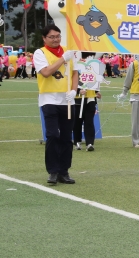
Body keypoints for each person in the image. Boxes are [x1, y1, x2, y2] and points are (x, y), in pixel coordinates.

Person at [34, 24, 78, 185]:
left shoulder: (68, 51)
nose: (55, 39)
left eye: (58, 36)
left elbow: (74, 73)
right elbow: (46, 72)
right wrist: (62, 59)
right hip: (49, 99)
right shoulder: (40, 53)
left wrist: (74, 91)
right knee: (53, 135)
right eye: (51, 37)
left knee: (67, 137)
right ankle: (52, 171)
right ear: (44, 38)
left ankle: (64, 171)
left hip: (67, 100)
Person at [73, 51, 101, 151]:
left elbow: (94, 80)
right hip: (77, 99)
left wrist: (97, 91)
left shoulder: (93, 65)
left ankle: (90, 143)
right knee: (77, 121)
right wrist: (78, 90)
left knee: (89, 121)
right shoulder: (76, 65)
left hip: (90, 98)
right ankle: (77, 141)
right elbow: (71, 81)